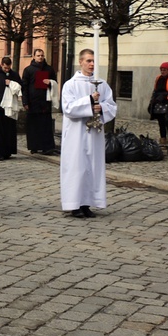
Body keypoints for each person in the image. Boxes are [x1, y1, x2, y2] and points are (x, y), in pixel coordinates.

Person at [60, 49, 117, 218]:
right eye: (88, 61)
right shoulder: (70, 84)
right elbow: (68, 108)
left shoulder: (101, 84)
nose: (92, 64)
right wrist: (90, 101)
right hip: (76, 134)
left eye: (94, 61)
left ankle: (87, 203)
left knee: (92, 166)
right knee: (76, 166)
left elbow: (111, 105)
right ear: (81, 62)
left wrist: (102, 108)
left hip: (94, 133)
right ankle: (74, 204)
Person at [22, 49, 58, 155]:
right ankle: (34, 146)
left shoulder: (49, 69)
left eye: (42, 55)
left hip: (45, 101)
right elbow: (25, 87)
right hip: (33, 101)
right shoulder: (28, 70)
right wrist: (25, 102)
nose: (40, 57)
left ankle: (46, 147)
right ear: (34, 57)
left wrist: (50, 83)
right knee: (33, 125)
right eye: (38, 55)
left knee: (45, 125)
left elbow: (55, 82)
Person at [0, 57, 22, 161]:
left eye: (8, 68)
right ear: (1, 65)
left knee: (9, 131)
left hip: (10, 106)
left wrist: (11, 84)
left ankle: (8, 151)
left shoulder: (14, 75)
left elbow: (20, 87)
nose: (7, 70)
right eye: (5, 68)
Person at [148, 61, 168, 150]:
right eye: (161, 70)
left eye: (164, 70)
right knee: (161, 123)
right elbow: (154, 92)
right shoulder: (158, 78)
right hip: (158, 104)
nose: (162, 72)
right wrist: (151, 103)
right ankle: (163, 140)